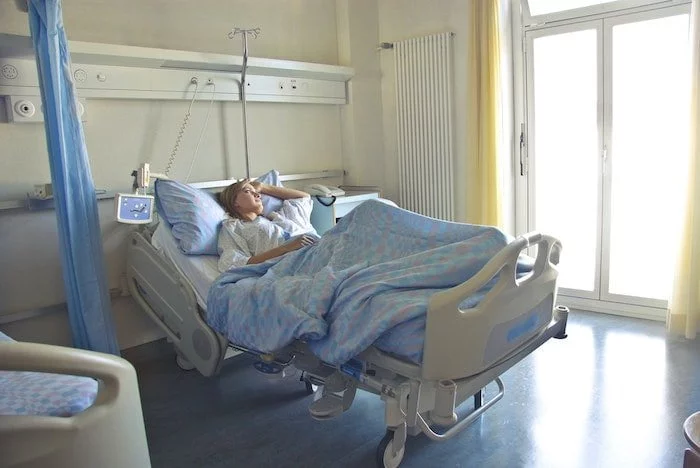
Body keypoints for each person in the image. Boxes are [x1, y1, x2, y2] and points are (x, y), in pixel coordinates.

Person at [217, 179, 318, 272]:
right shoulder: (233, 227)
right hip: (294, 263)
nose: (258, 195)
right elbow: (233, 263)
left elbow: (303, 197)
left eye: (257, 192)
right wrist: (286, 248)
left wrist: (263, 187)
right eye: (248, 191)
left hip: (315, 249)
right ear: (234, 202)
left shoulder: (277, 217)